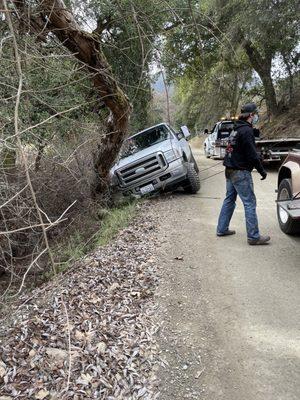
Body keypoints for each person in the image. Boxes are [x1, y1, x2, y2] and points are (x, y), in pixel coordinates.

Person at [216, 102, 270, 245]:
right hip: (240, 172)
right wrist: (262, 171)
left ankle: (221, 229)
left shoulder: (236, 129)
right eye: (255, 114)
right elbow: (252, 155)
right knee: (250, 203)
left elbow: (235, 147)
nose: (256, 116)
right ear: (251, 115)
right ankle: (253, 237)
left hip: (229, 170)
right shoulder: (246, 131)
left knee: (229, 200)